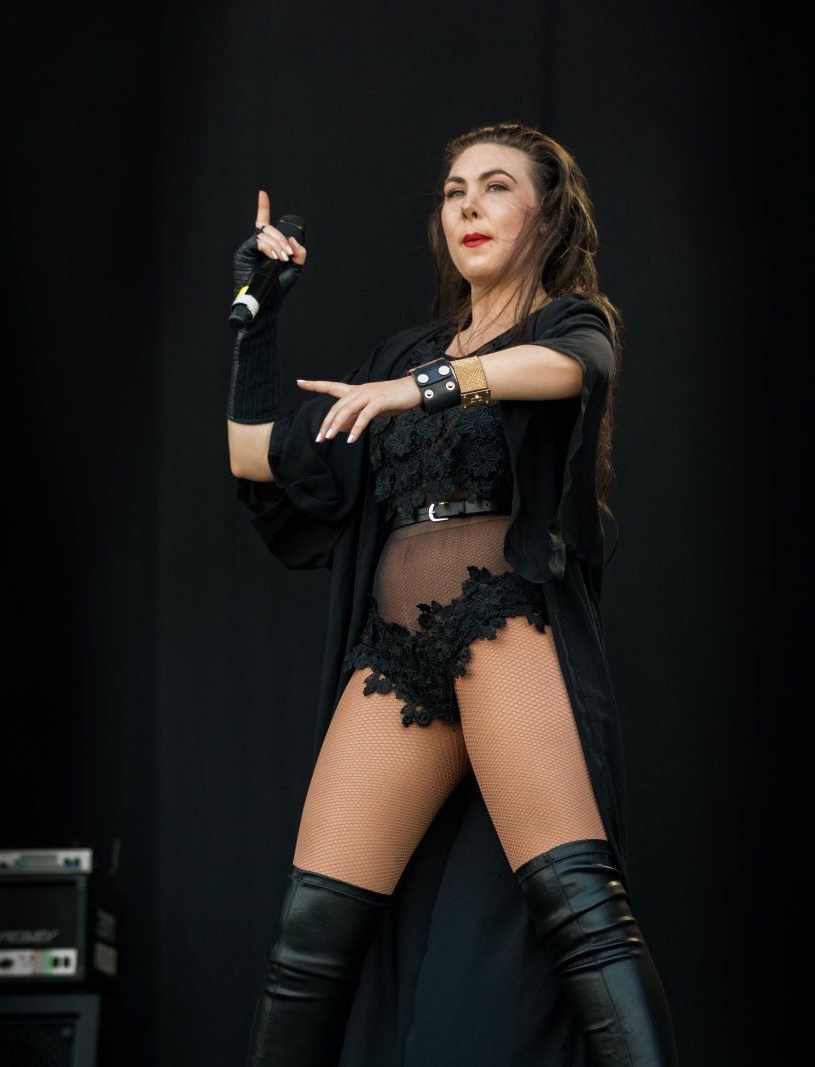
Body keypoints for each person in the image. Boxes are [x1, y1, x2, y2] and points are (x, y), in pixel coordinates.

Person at [226, 121, 679, 1066]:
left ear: (547, 215)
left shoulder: (564, 323)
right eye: (454, 191)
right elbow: (252, 455)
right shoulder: (405, 353)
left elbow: (572, 370)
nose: (469, 205)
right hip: (395, 652)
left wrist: (421, 389)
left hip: (498, 620)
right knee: (307, 941)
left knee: (582, 914)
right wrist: (257, 316)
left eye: (496, 186)